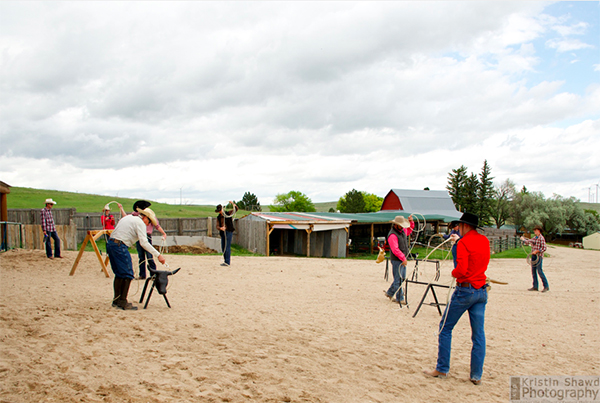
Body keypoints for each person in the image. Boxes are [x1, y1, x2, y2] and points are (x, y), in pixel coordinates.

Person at [424, 212, 490, 385]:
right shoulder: (484, 240)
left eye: (459, 226)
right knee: (478, 335)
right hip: (481, 290)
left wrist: (453, 273)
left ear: (465, 226)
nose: (458, 228)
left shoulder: (463, 243)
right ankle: (476, 375)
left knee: (445, 328)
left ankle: (442, 368)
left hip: (465, 290)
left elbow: (460, 269)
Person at [106, 207, 167, 310]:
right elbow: (144, 243)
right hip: (120, 246)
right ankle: (122, 301)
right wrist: (158, 255)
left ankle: (116, 300)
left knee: (119, 274)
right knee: (128, 273)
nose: (148, 224)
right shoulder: (140, 223)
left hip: (111, 244)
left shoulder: (128, 217)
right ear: (145, 218)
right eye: (149, 221)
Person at [118, 200, 166, 279]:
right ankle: (142, 275)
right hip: (139, 237)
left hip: (147, 236)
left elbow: (157, 225)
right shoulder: (135, 216)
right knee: (141, 257)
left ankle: (153, 274)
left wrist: (164, 233)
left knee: (149, 256)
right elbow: (126, 217)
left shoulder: (149, 216)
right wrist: (121, 209)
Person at [383, 215, 414, 304]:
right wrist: (403, 258)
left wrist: (411, 222)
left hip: (401, 258)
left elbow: (409, 230)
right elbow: (395, 249)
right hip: (397, 259)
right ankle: (400, 298)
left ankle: (390, 292)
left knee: (401, 278)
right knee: (399, 278)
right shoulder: (392, 235)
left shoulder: (401, 231)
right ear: (396, 225)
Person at [521, 225, 549, 292]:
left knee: (539, 271)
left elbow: (544, 248)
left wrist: (537, 251)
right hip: (534, 256)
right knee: (533, 271)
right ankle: (535, 286)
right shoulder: (535, 237)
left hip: (538, 256)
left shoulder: (541, 238)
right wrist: (524, 240)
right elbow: (529, 241)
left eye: (535, 230)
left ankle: (546, 286)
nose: (534, 231)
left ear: (538, 230)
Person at [216, 201, 238, 267]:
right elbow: (217, 226)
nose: (220, 212)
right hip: (223, 232)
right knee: (223, 247)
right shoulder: (218, 217)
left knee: (227, 246)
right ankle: (225, 261)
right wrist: (220, 228)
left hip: (229, 231)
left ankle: (227, 262)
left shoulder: (228, 213)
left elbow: (236, 209)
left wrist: (233, 204)